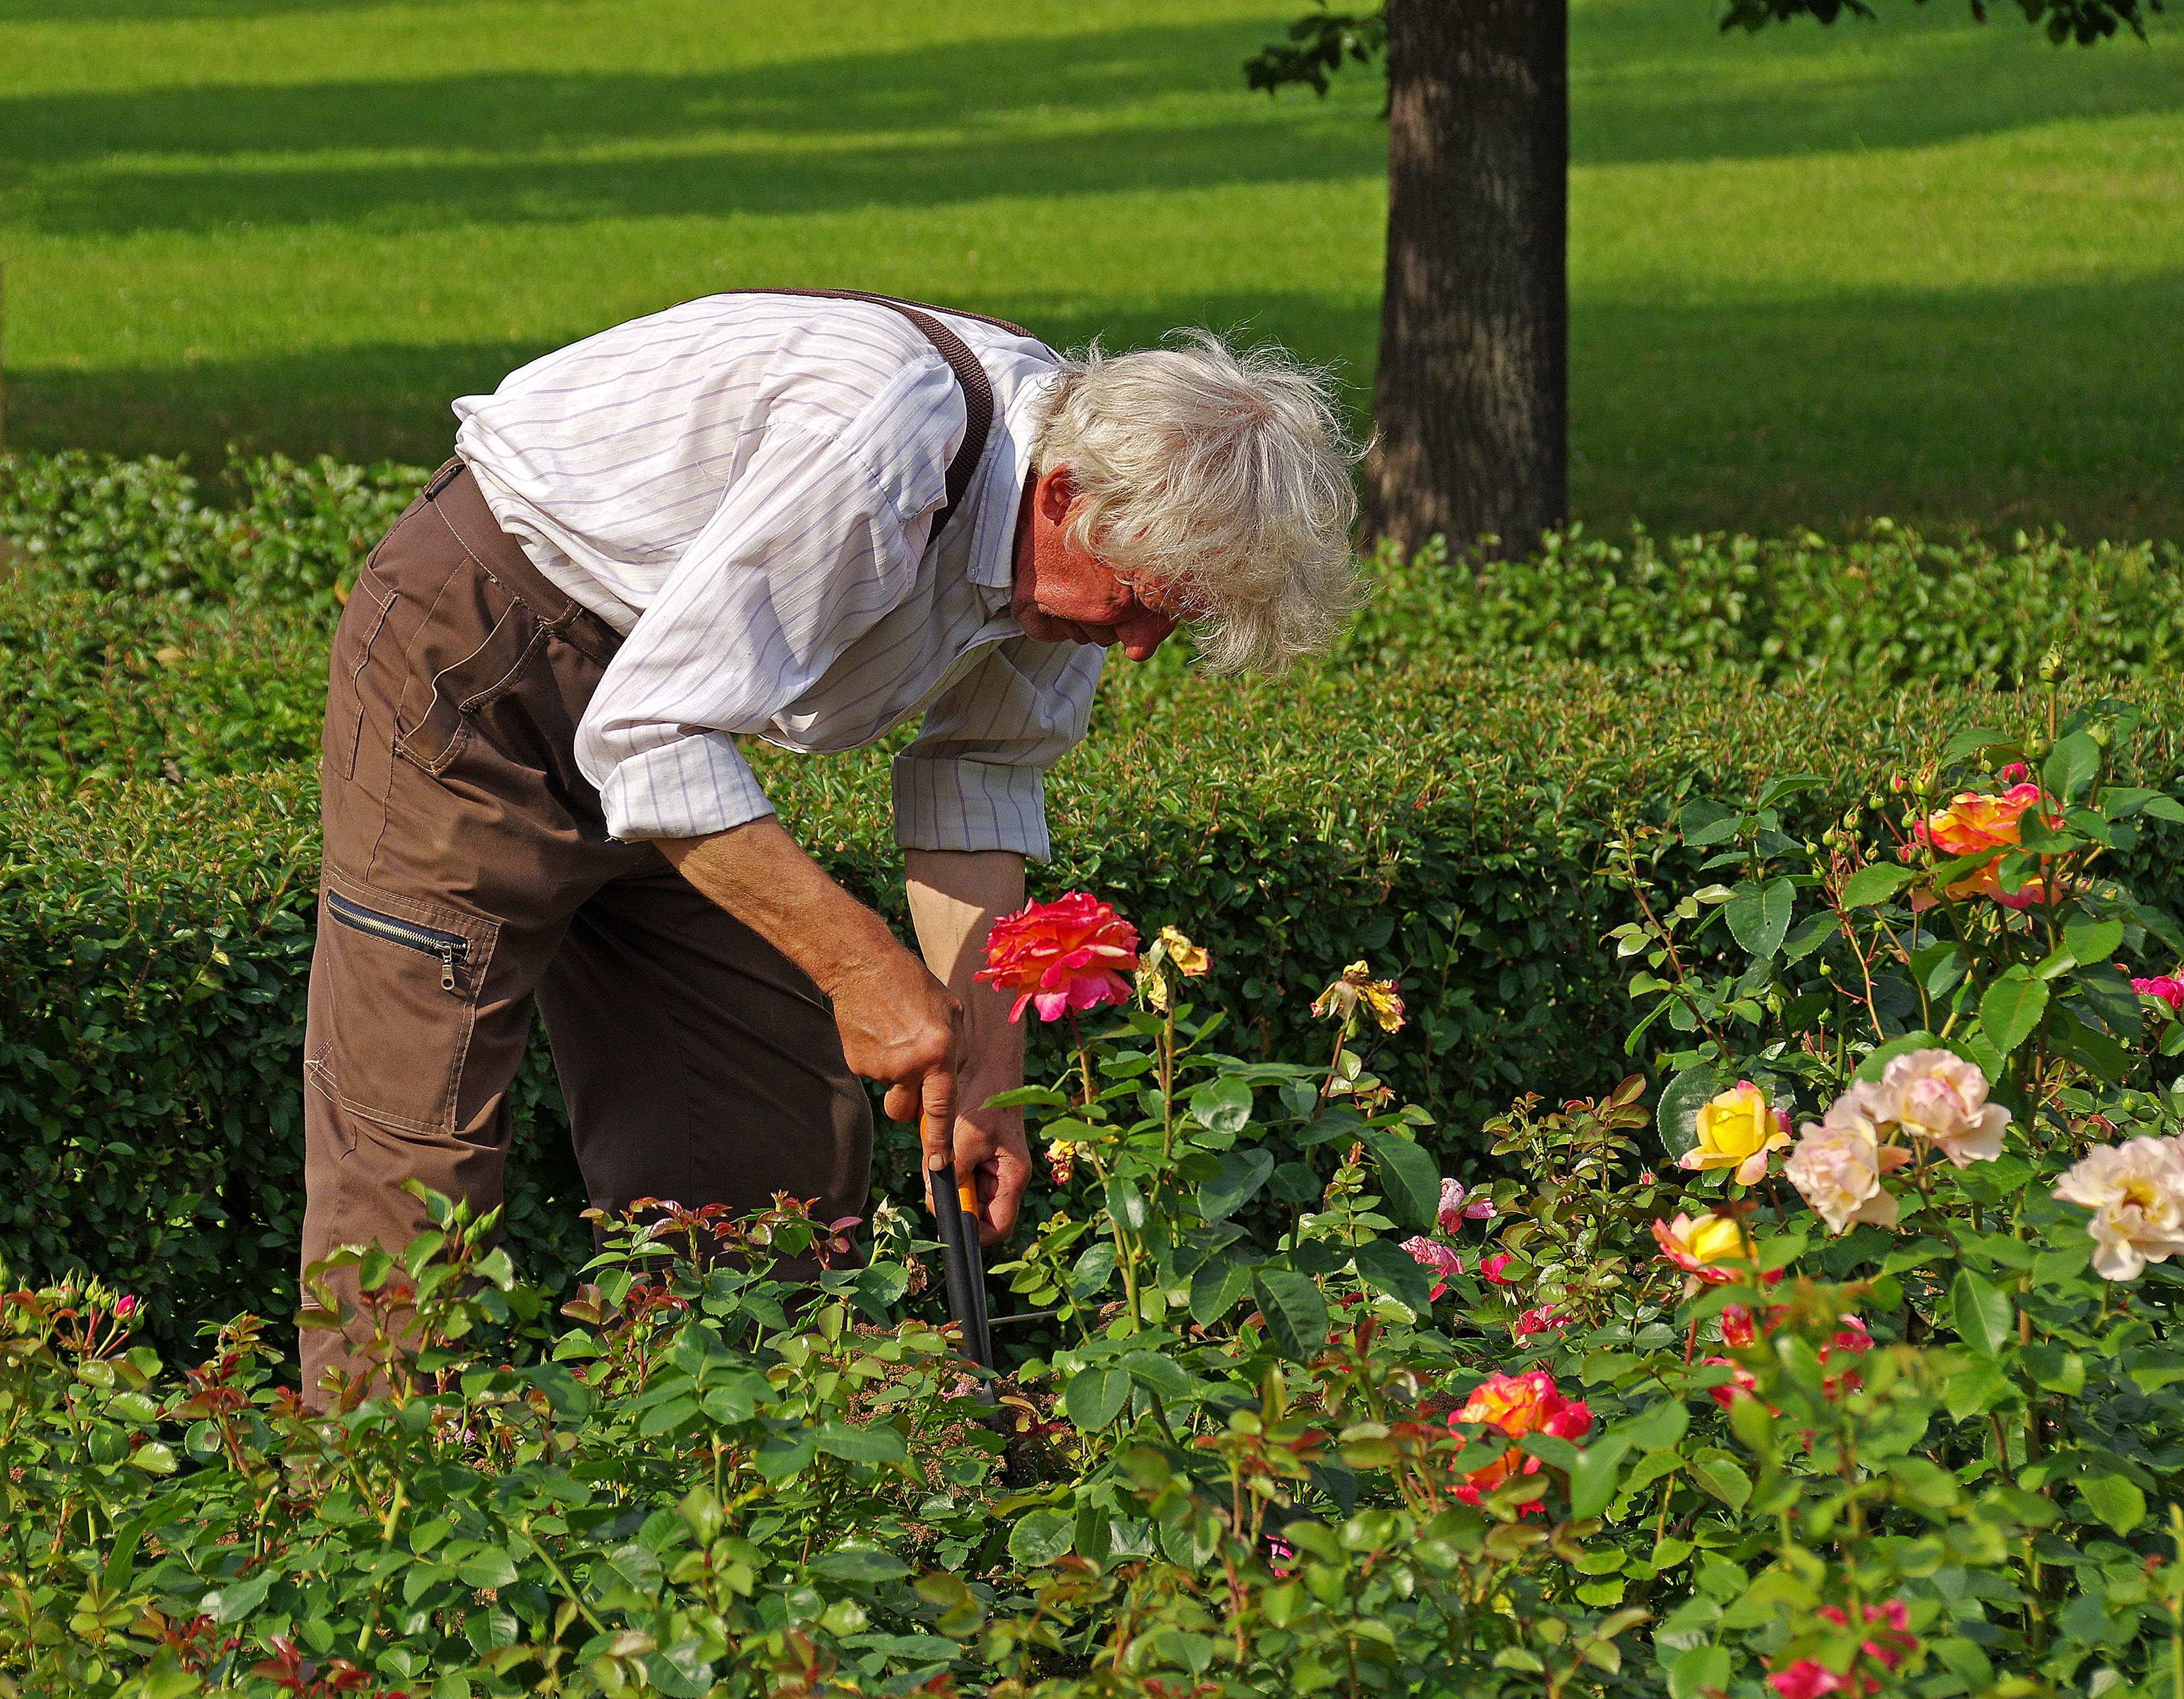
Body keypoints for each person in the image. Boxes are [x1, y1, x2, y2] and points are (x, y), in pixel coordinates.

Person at [297, 289, 1360, 1396]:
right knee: (418, 1138)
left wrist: (987, 1070)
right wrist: (860, 968)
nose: (1136, 647)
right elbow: (651, 730)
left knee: (763, 1131)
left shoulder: (1087, 515)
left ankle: (715, 1491)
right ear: (1062, 497)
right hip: (481, 661)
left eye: (1169, 624)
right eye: (1139, 603)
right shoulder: (882, 453)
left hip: (669, 700)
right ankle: (371, 1518)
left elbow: (978, 770)